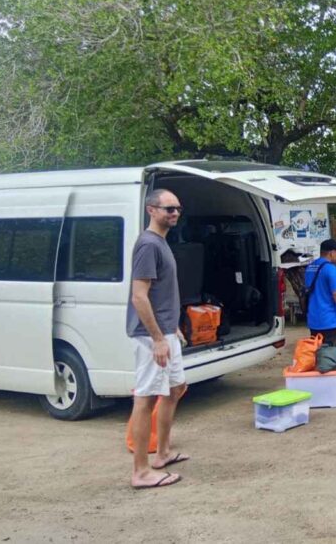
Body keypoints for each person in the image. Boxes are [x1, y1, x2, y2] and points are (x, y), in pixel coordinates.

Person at [126, 189, 188, 489]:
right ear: (152, 210)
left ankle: (162, 453)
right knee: (145, 398)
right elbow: (139, 297)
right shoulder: (148, 245)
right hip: (152, 337)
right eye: (168, 208)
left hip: (165, 330)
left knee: (176, 388)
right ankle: (140, 471)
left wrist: (172, 326)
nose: (175, 213)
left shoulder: (161, 242)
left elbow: (161, 293)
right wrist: (158, 338)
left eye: (177, 208)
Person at [304, 239, 336, 346]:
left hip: (313, 317)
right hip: (328, 318)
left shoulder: (310, 267)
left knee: (316, 347)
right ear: (331, 253)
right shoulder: (330, 269)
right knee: (327, 350)